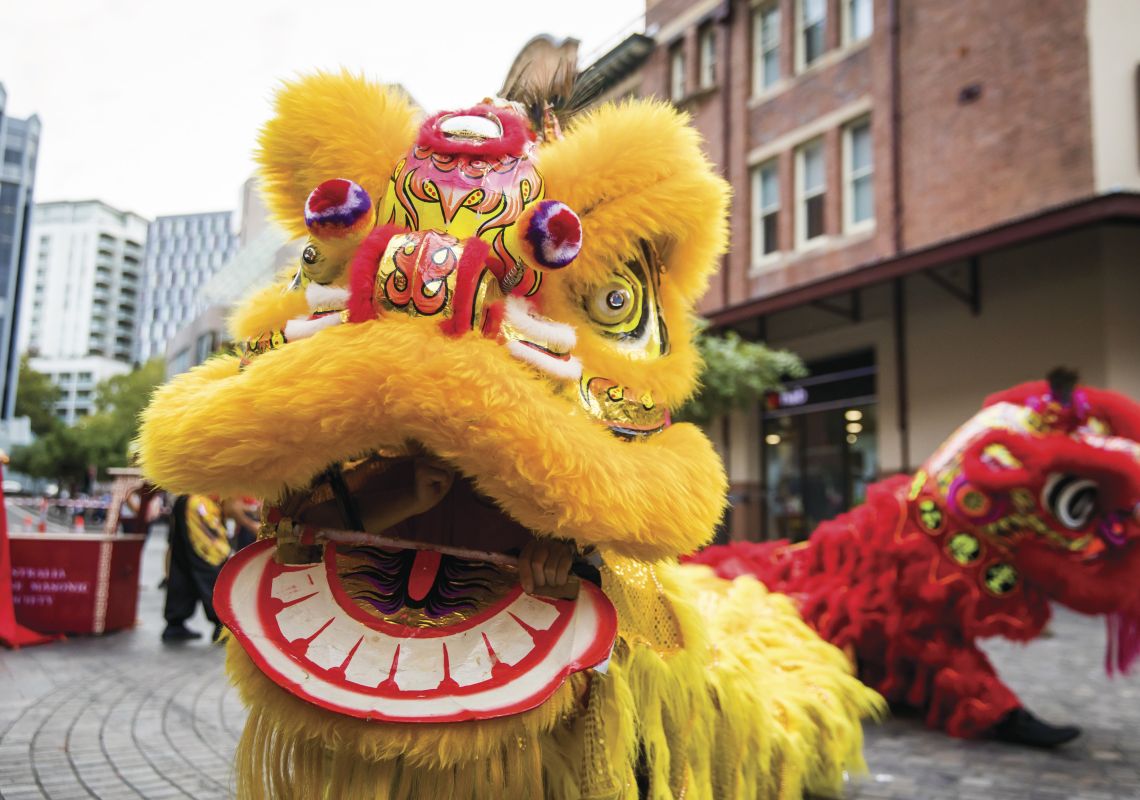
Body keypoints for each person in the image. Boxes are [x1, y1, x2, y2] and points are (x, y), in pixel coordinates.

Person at [162, 494, 231, 643]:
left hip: (188, 498)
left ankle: (175, 622)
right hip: (198, 500)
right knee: (208, 565)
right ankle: (220, 625)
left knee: (183, 566)